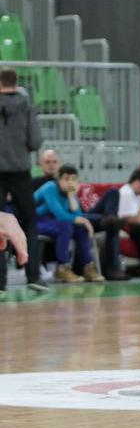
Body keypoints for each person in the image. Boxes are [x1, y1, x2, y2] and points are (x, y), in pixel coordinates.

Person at [0, 68, 47, 293]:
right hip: (20, 171)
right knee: (28, 222)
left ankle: (0, 282)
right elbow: (36, 141)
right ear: (16, 82)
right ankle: (33, 275)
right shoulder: (26, 106)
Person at [33, 164, 105, 283]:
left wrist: (72, 197)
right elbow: (61, 215)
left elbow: (78, 216)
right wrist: (84, 221)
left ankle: (87, 267)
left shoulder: (70, 192)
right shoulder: (50, 187)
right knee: (66, 225)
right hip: (34, 221)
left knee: (80, 228)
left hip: (54, 222)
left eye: (73, 179)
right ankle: (62, 268)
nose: (70, 182)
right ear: (59, 180)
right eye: (66, 179)